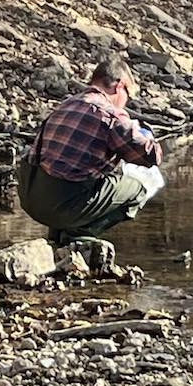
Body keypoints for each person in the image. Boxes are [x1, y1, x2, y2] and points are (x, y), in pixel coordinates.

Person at [18, 53, 165, 243]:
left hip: (31, 197)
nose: (126, 101)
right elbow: (151, 157)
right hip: (63, 204)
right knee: (139, 189)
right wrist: (145, 134)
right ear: (119, 85)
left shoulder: (66, 105)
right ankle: (77, 236)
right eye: (128, 94)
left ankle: (57, 235)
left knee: (79, 173)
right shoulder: (110, 115)